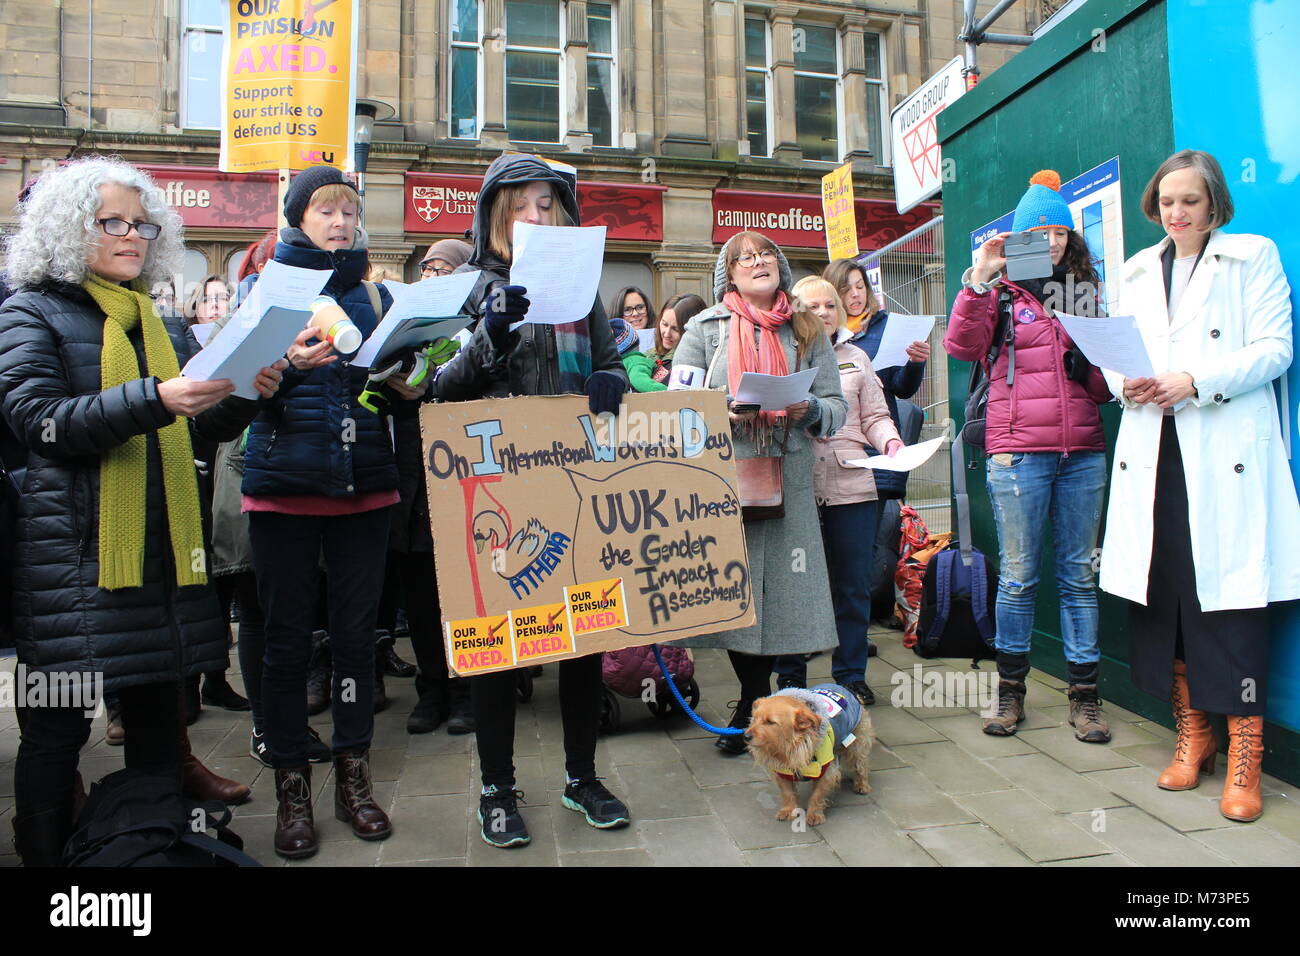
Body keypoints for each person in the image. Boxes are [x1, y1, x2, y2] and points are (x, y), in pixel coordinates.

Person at [0, 157, 285, 865]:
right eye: (114, 222)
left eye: (143, 223)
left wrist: (249, 391)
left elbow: (195, 431)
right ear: (68, 230)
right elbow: (38, 420)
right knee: (54, 734)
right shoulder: (27, 309)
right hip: (70, 570)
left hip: (161, 566)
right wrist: (154, 399)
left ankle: (156, 847)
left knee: (163, 729)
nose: (134, 235)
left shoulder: (154, 319)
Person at [432, 152, 631, 849]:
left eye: (548, 204)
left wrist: (611, 386)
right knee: (499, 647)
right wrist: (488, 336)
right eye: (523, 205)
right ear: (495, 213)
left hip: (573, 480)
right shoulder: (467, 288)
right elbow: (437, 387)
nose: (537, 216)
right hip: (495, 488)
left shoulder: (583, 290)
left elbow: (609, 365)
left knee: (583, 635)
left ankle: (582, 777)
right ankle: (496, 789)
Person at [1099, 150, 1300, 822]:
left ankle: (1246, 756)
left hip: (1222, 453)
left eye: (1190, 199)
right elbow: (1112, 359)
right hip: (1153, 451)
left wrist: (1196, 380)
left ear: (1214, 203)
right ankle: (1195, 736)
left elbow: (1276, 348)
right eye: (1166, 200)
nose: (1176, 212)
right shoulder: (1134, 271)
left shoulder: (1251, 258)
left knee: (1232, 602)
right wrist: (1120, 384)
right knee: (1166, 596)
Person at [242, 165, 405, 859]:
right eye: (324, 211)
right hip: (284, 486)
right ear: (298, 220)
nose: (340, 222)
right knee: (284, 643)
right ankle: (292, 790)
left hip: (365, 486)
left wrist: (408, 373)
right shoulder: (265, 288)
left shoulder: (376, 292)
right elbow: (235, 392)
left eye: (348, 211)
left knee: (353, 639)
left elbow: (397, 394)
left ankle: (354, 780)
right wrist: (283, 368)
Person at [944, 169, 1116, 743]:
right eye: (1037, 232)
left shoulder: (1084, 292)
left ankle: (1085, 699)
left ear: (1072, 238)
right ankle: (1009, 694)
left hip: (1083, 452)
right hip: (1018, 453)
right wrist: (977, 280)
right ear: (1018, 237)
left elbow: (1102, 385)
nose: (1050, 242)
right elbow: (961, 346)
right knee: (1018, 577)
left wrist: (1091, 372)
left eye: (1059, 232)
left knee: (1077, 577)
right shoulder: (997, 293)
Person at [669, 231, 848, 755]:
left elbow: (836, 407)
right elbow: (676, 404)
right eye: (744, 257)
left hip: (788, 480)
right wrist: (719, 410)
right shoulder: (705, 329)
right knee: (735, 597)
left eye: (766, 254)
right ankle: (753, 698)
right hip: (723, 479)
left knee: (781, 601)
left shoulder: (807, 328)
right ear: (730, 274)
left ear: (782, 267)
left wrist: (808, 409)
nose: (758, 262)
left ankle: (760, 705)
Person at [772, 276, 901, 704]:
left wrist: (890, 442)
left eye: (831, 304)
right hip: (796, 484)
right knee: (796, 584)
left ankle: (850, 675)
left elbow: (875, 416)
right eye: (814, 305)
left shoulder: (857, 357)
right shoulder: (782, 354)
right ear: (795, 311)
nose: (824, 312)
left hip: (852, 484)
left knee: (853, 585)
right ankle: (789, 679)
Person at [648, 292, 703, 386]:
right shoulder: (648, 355)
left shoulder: (692, 363)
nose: (667, 333)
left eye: (675, 329)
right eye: (664, 324)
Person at [612, 317, 664, 392]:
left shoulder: (617, 364)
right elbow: (640, 381)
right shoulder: (635, 361)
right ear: (636, 342)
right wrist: (670, 391)